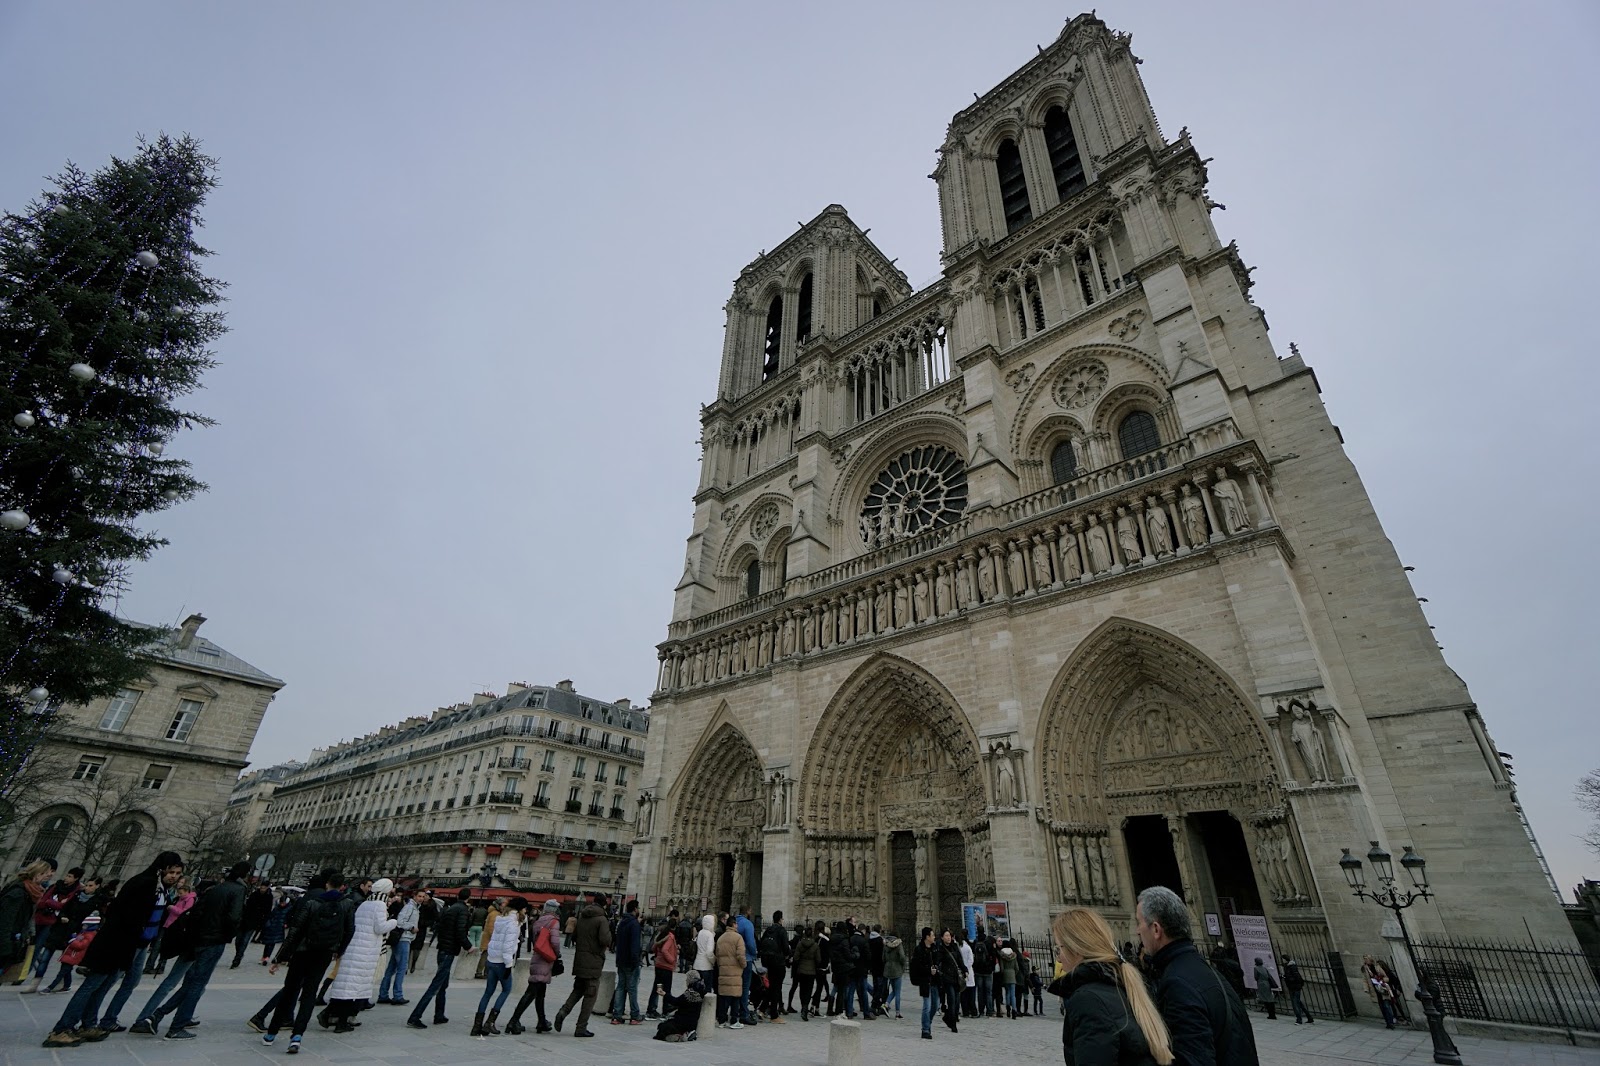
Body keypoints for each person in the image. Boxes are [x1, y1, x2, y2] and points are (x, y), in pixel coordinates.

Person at [44, 851, 184, 1048]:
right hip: (116, 943)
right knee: (92, 985)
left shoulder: (158, 887)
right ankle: (61, 1029)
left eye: (177, 873)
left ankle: (88, 1023)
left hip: (128, 943)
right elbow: (129, 916)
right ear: (161, 869)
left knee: (103, 985)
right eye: (171, 871)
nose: (174, 876)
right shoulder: (146, 884)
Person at [1135, 886, 1259, 1066]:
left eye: (1139, 922)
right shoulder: (1204, 971)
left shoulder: (1178, 984)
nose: (1138, 931)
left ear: (1156, 929)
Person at [133, 860, 249, 1038]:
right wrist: (228, 934)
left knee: (190, 984)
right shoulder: (239, 890)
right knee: (197, 984)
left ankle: (160, 1015)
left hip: (198, 939)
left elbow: (197, 912)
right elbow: (234, 918)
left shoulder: (216, 888)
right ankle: (175, 1026)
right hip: (214, 941)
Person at [1052, 906, 1174, 1065]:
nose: (1059, 959)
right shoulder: (1126, 984)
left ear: (1075, 949)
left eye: (1058, 949)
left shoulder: (1089, 999)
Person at [262, 868, 353, 1054]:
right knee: (310, 994)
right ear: (343, 886)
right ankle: (297, 1037)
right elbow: (350, 930)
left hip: (303, 951)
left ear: (327, 884)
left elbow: (296, 932)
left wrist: (280, 957)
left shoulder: (312, 903)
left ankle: (271, 1033)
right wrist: (339, 950)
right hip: (325, 953)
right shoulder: (347, 905)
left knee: (290, 991)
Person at [322, 876, 396, 1033]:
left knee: (347, 986)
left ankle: (330, 1015)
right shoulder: (380, 905)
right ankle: (342, 1022)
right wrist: (394, 922)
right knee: (354, 988)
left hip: (354, 948)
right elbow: (380, 927)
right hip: (366, 951)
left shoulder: (365, 903)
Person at [404, 887, 473, 1029]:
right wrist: (468, 946)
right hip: (449, 949)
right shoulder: (462, 911)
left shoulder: (450, 909)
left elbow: (439, 927)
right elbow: (460, 931)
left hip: (443, 948)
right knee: (436, 985)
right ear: (468, 898)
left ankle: (439, 1014)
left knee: (442, 984)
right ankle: (415, 1016)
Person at [553, 892, 612, 1037]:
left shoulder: (582, 916)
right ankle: (581, 1027)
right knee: (590, 995)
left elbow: (574, 936)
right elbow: (605, 940)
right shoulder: (601, 919)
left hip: (579, 960)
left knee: (578, 990)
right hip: (593, 961)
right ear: (604, 904)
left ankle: (563, 1011)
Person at [506, 898, 563, 1034]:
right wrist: (557, 954)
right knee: (532, 991)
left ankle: (542, 1021)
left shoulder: (539, 921)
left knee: (540, 992)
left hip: (538, 956)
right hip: (546, 958)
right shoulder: (554, 922)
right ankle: (513, 1021)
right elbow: (555, 942)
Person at [474, 895, 525, 1035]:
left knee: (488, 992)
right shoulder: (513, 923)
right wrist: (509, 965)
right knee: (506, 990)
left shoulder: (500, 918)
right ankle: (490, 1022)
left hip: (492, 959)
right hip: (502, 962)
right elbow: (508, 946)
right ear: (520, 908)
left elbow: (495, 938)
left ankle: (476, 1025)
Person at [2, 860, 53, 992]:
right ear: (37, 874)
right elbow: (5, 921)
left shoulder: (30, 892)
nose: (48, 877)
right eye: (46, 874)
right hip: (5, 943)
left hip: (13, 940)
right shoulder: (19, 893)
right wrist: (5, 948)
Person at [378, 888, 423, 1005]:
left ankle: (383, 994)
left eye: (423, 897)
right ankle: (397, 995)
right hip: (403, 938)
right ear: (414, 896)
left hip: (403, 939)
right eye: (419, 896)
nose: (421, 899)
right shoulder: (410, 907)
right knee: (402, 968)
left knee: (392, 968)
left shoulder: (414, 907)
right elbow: (400, 921)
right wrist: (412, 927)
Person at [609, 898, 644, 1025]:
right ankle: (635, 1015)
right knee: (632, 988)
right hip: (630, 961)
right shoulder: (634, 924)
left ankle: (617, 1015)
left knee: (620, 987)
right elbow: (635, 945)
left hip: (621, 959)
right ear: (635, 909)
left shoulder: (622, 922)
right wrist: (636, 962)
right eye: (638, 908)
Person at [652, 970, 705, 1042]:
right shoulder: (700, 991)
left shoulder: (690, 993)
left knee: (662, 1028)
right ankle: (688, 1033)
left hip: (682, 1021)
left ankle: (681, 1036)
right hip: (692, 1023)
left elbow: (676, 1001)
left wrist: (665, 994)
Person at [715, 915, 748, 1029]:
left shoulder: (721, 938)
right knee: (735, 996)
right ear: (734, 924)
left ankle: (722, 1020)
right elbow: (740, 955)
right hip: (735, 971)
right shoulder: (738, 938)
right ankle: (734, 1020)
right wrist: (744, 965)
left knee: (724, 996)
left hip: (723, 970)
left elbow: (717, 955)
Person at [646, 908, 678, 1019]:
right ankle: (665, 1010)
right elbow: (665, 949)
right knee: (666, 990)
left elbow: (654, 947)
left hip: (659, 965)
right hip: (666, 967)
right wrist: (672, 959)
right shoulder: (670, 937)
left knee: (658, 987)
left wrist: (657, 955)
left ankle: (651, 1009)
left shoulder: (662, 935)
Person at [759, 910, 790, 1021]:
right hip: (778, 962)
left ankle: (762, 1009)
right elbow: (786, 948)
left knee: (771, 987)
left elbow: (761, 944)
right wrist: (787, 956)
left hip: (767, 962)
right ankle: (774, 1015)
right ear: (780, 919)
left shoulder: (768, 930)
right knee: (776, 988)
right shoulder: (781, 930)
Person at [234, 883, 272, 968]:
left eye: (264, 887)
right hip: (245, 920)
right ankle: (239, 953)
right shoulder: (254, 894)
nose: (262, 888)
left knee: (245, 940)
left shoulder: (269, 897)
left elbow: (267, 911)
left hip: (254, 922)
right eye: (261, 887)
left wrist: (262, 922)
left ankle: (238, 958)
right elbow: (247, 906)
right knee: (238, 940)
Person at [735, 903, 759, 1024]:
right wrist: (754, 953)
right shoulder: (747, 924)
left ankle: (735, 1011)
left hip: (734, 959)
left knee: (735, 986)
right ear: (748, 911)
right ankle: (744, 1013)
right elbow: (750, 943)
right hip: (746, 959)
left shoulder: (734, 922)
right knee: (745, 987)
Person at [1361, 955, 1399, 1029]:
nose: (1366, 961)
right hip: (1374, 990)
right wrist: (1366, 989)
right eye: (1365, 959)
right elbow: (1364, 980)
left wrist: (1381, 980)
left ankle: (1391, 1022)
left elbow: (1386, 977)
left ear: (1370, 959)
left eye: (1367, 959)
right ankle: (1387, 1022)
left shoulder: (1377, 967)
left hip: (1382, 989)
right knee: (1382, 1007)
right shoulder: (1364, 969)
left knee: (1387, 1006)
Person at [881, 929, 906, 1019]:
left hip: (888, 969)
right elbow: (902, 957)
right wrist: (903, 965)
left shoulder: (885, 944)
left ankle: (886, 1004)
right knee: (897, 991)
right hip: (897, 968)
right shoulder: (898, 944)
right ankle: (897, 1012)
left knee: (894, 990)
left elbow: (883, 958)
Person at [260, 892, 291, 965]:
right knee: (267, 943)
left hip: (279, 927)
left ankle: (267, 957)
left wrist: (286, 924)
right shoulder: (277, 907)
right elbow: (271, 915)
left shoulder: (289, 909)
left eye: (283, 903)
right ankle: (264, 956)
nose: (282, 904)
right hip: (271, 926)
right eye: (281, 903)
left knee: (271, 943)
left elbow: (289, 918)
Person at [1281, 955, 1311, 1025]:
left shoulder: (1292, 967)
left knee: (1296, 1003)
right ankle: (1309, 1017)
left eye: (1282, 959)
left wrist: (1286, 977)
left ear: (1285, 960)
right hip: (1292, 987)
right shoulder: (1287, 967)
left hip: (1295, 987)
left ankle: (1299, 1020)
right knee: (1299, 1003)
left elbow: (1295, 977)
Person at [998, 939, 1021, 1018]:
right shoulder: (1013, 955)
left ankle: (1008, 1009)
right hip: (1012, 974)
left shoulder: (1002, 955)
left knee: (1007, 992)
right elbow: (1017, 967)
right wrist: (1014, 973)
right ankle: (1014, 1010)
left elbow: (1002, 967)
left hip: (1005, 974)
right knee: (1013, 994)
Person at [695, 913, 717, 992]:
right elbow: (709, 952)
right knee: (707, 988)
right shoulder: (710, 935)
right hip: (706, 965)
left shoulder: (700, 933)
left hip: (697, 963)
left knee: (697, 988)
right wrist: (714, 960)